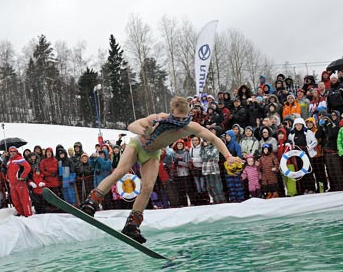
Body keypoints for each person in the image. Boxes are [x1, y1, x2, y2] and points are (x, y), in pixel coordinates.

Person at [79, 96, 241, 243]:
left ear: (188, 114)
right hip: (138, 145)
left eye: (183, 118)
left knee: (148, 187)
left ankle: (132, 225)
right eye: (177, 117)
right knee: (121, 170)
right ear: (172, 113)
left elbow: (213, 138)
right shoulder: (159, 119)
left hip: (152, 153)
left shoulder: (190, 127)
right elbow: (132, 125)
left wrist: (228, 156)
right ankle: (92, 202)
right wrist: (143, 131)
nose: (179, 121)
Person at [6, 146, 33, 217]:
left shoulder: (19, 159)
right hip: (12, 184)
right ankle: (21, 212)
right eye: (11, 151)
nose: (12, 153)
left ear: (16, 151)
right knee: (15, 199)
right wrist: (7, 177)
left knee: (24, 198)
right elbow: (9, 171)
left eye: (14, 151)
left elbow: (28, 167)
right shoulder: (9, 161)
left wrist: (22, 176)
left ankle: (28, 214)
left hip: (19, 182)